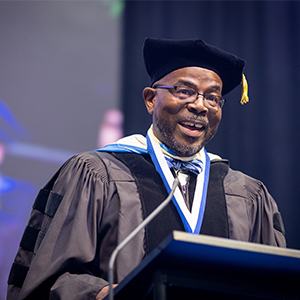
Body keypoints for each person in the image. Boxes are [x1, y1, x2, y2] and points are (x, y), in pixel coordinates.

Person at [7, 38, 286, 300]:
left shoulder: (247, 195)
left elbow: (277, 286)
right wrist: (113, 293)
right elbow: (50, 279)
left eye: (212, 97)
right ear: (151, 99)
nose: (200, 106)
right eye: (185, 91)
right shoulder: (97, 173)